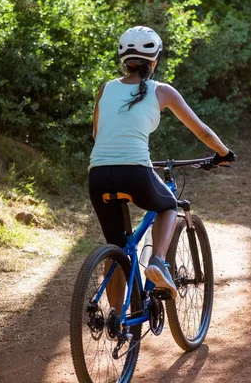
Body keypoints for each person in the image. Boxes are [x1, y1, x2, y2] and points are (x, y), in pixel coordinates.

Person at [88, 26, 235, 300]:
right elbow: (202, 131)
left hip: (97, 176)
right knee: (168, 204)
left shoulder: (105, 89)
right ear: (153, 61)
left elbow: (98, 134)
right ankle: (157, 261)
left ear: (124, 61)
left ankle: (118, 325)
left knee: (117, 247)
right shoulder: (161, 91)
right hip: (135, 172)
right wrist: (224, 153)